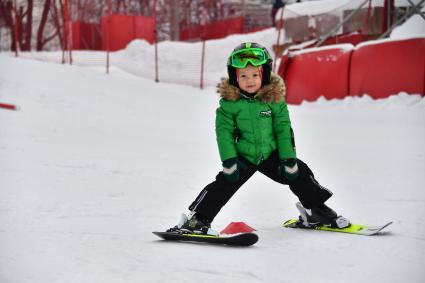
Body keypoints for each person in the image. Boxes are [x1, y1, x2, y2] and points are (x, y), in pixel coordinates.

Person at [169, 42, 350, 235]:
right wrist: (230, 161)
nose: (250, 80)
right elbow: (224, 133)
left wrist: (288, 159)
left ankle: (315, 211)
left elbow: (283, 129)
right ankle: (198, 219)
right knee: (223, 184)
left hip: (272, 153)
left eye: (255, 75)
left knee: (300, 173)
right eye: (243, 76)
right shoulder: (229, 105)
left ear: (264, 74)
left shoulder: (274, 99)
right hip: (244, 156)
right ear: (234, 77)